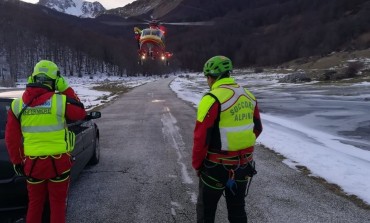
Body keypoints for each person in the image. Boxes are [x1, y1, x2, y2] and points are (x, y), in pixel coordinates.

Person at [5, 60, 86, 223]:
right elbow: (80, 113)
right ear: (55, 81)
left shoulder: (17, 106)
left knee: (35, 205)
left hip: (33, 165)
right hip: (59, 163)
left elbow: (11, 139)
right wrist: (66, 89)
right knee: (57, 205)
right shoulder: (60, 102)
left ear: (32, 79)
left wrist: (17, 162)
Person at [192, 56, 263, 223]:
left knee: (206, 212)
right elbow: (258, 128)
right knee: (237, 209)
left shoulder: (211, 98)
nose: (207, 82)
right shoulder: (249, 95)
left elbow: (201, 138)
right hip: (243, 165)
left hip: (215, 166)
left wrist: (197, 165)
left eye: (206, 78)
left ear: (211, 77)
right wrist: (241, 147)